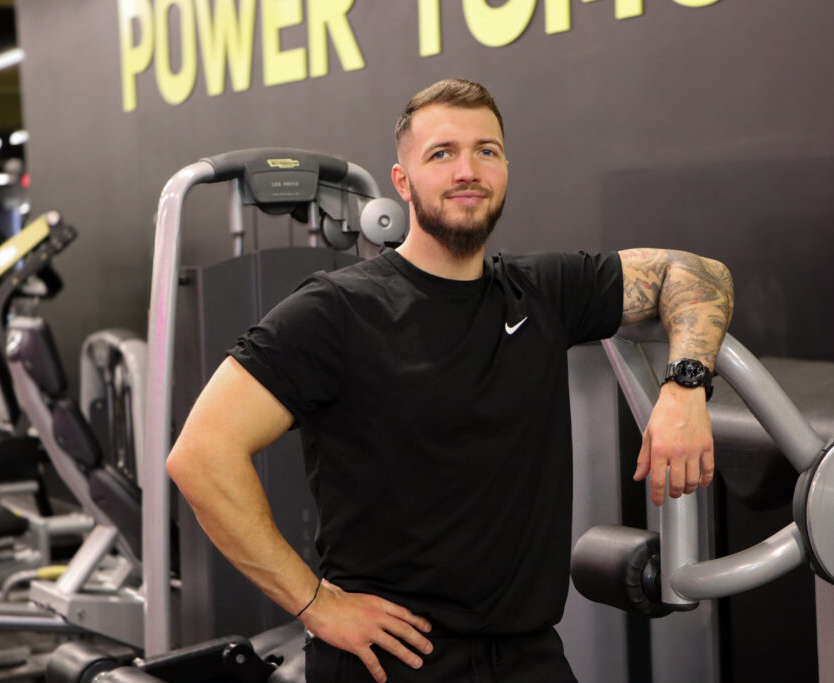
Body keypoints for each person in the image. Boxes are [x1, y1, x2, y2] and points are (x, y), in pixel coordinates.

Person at [166, 79, 734, 683]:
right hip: (392, 659)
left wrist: (685, 387)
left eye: (486, 151)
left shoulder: (541, 291)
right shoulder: (337, 310)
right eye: (442, 153)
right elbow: (201, 455)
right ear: (403, 181)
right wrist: (315, 605)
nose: (468, 170)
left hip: (529, 656)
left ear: (505, 168)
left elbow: (698, 274)